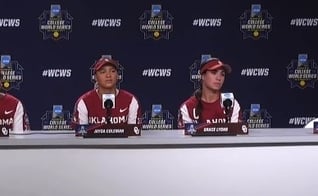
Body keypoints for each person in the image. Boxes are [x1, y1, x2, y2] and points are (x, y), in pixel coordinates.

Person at [72, 57, 142, 127]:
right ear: (95, 77)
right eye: (103, 72)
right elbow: (81, 133)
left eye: (112, 71)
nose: (108, 75)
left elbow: (134, 133)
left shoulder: (131, 101)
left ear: (118, 76)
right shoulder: (84, 102)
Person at [178, 57, 242, 129]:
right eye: (214, 72)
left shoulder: (232, 104)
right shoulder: (187, 107)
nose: (219, 78)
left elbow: (236, 137)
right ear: (203, 76)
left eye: (222, 74)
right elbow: (185, 139)